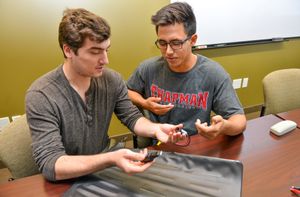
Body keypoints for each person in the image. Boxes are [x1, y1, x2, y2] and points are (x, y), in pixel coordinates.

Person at [25, 8, 186, 182]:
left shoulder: (112, 80)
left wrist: (155, 129)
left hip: (102, 171)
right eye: (95, 52)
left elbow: (131, 117)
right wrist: (110, 158)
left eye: (106, 50)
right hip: (65, 179)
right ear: (68, 50)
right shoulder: (41, 95)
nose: (105, 60)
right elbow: (51, 165)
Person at [127, 2, 246, 147]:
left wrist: (223, 126)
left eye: (176, 43)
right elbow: (127, 92)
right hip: (160, 145)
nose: (168, 52)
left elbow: (239, 121)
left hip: (197, 146)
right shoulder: (148, 68)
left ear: (193, 40)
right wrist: (144, 103)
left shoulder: (213, 73)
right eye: (162, 43)